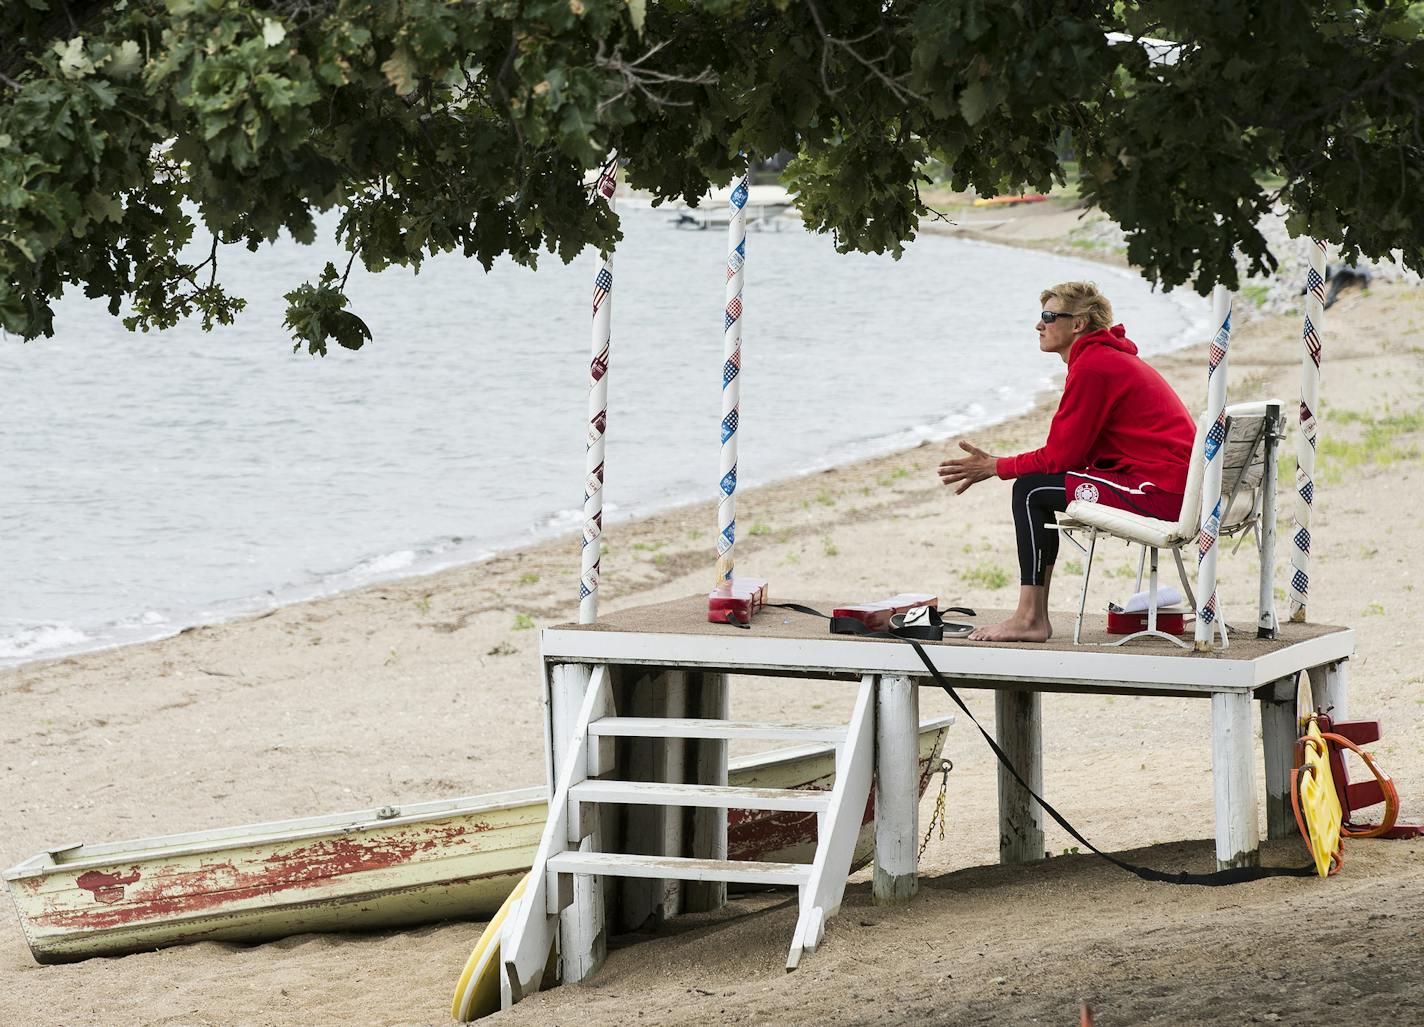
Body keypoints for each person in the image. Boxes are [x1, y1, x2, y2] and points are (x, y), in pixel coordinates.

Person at [936, 282, 1196, 642]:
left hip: (1159, 490)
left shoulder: (1094, 367)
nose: (1038, 325)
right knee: (1037, 486)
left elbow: (1061, 457)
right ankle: (1031, 616)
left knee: (1030, 490)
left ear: (1078, 324)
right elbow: (1070, 455)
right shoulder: (1103, 359)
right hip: (1168, 484)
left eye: (1048, 316)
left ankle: (1030, 619)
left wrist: (995, 467)